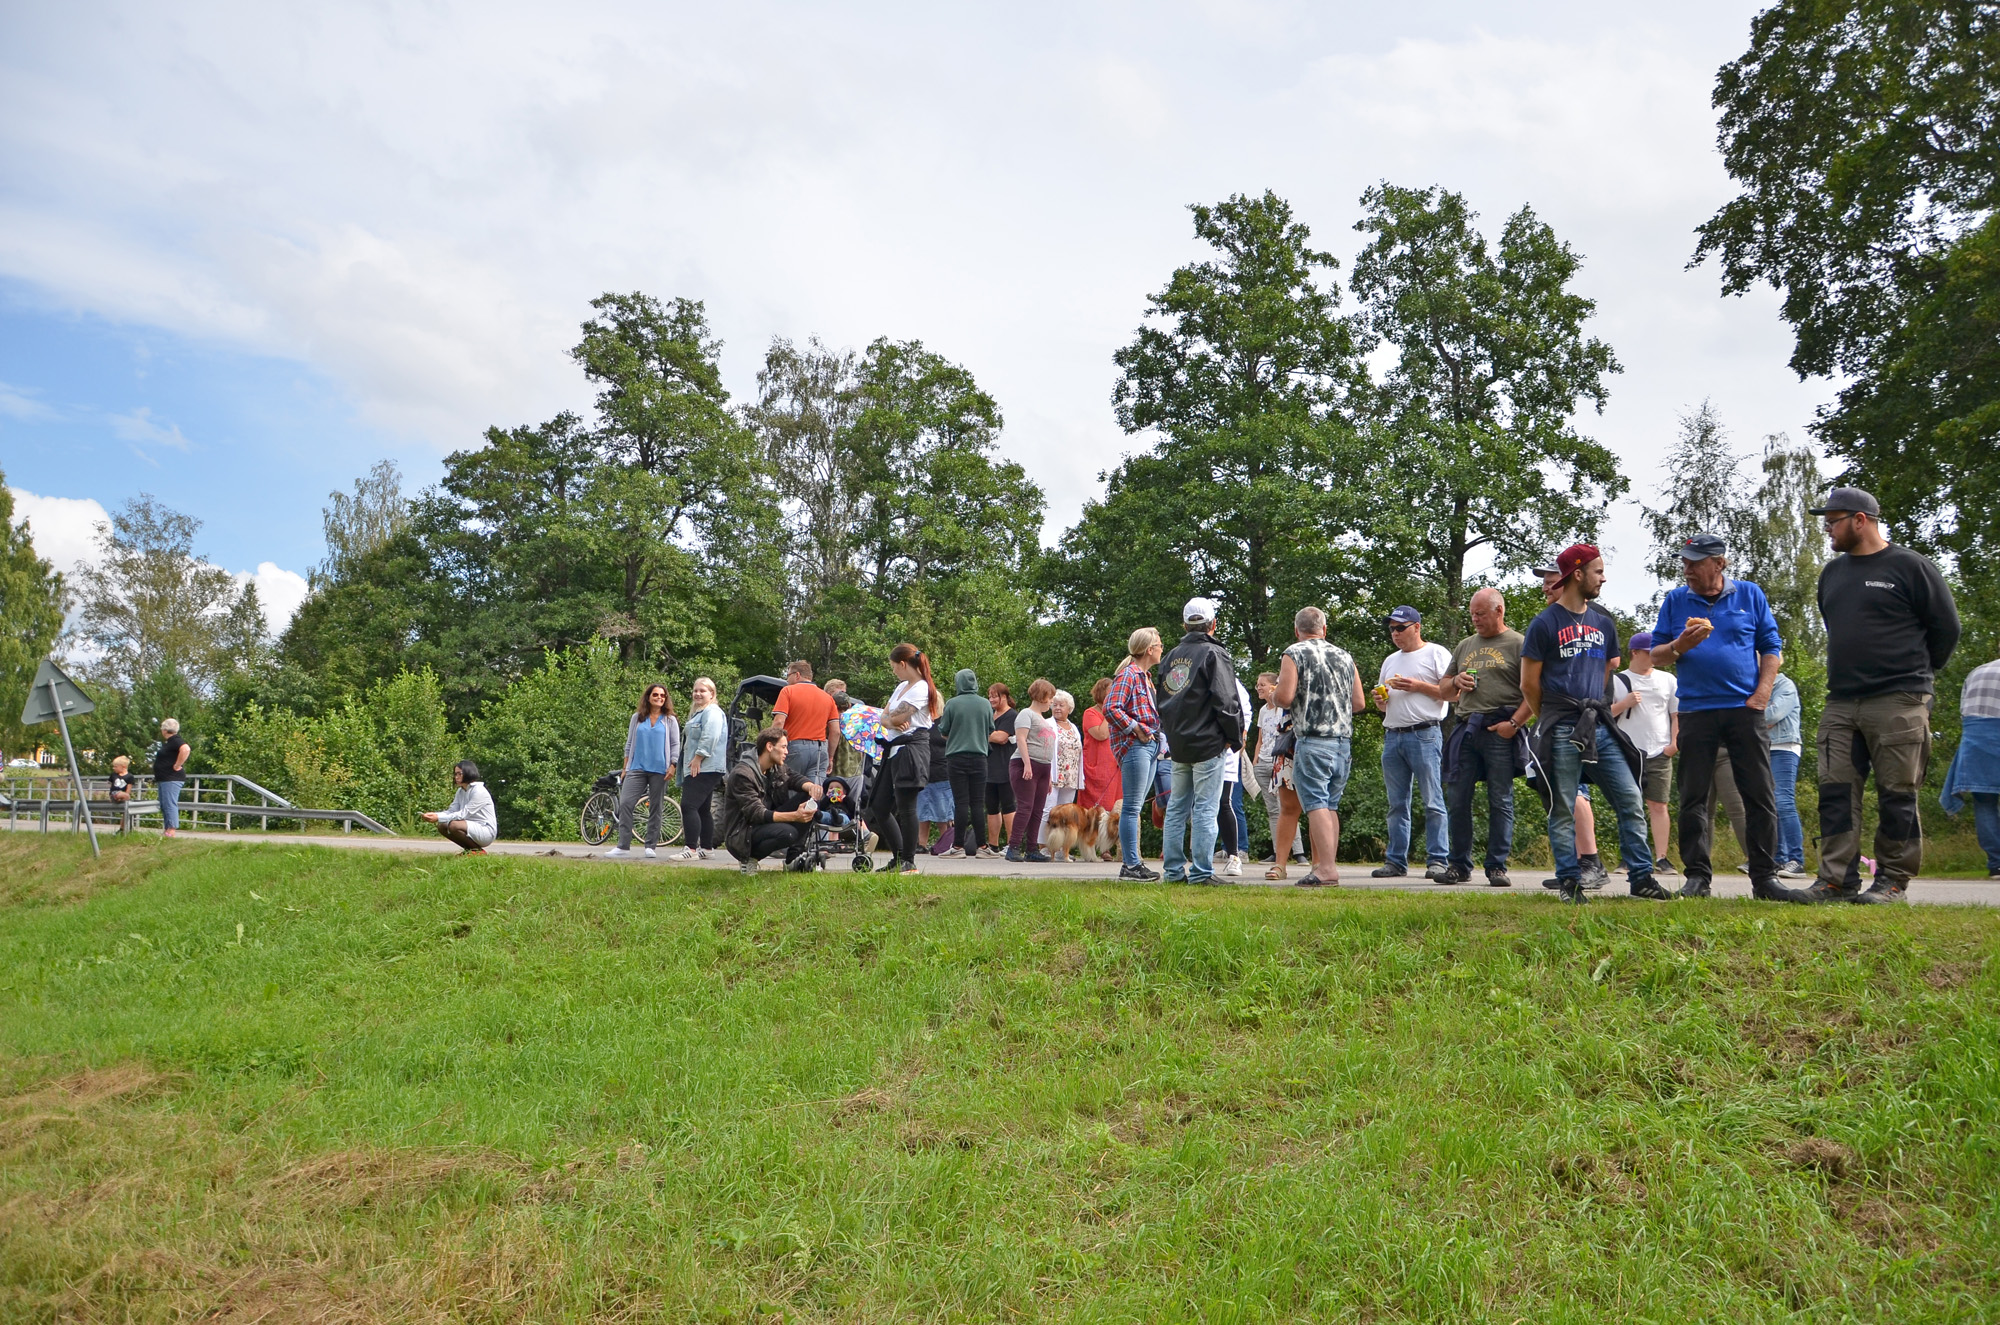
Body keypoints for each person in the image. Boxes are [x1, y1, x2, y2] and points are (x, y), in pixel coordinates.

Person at [1807, 486, 1961, 902]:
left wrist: (1916, 678)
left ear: (1861, 520)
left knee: (1898, 793)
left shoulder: (1910, 566)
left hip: (1899, 699)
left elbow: (1947, 630)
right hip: (1841, 700)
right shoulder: (1833, 574)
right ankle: (1836, 879)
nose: (1827, 531)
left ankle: (1892, 879)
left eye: (1833, 521)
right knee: (1835, 791)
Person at [1649, 532, 1795, 901]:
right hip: (1696, 709)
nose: (1687, 570)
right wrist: (1681, 644)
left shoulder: (1749, 594)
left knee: (1759, 794)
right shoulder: (1675, 601)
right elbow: (1656, 656)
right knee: (1694, 797)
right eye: (1684, 563)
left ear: (1719, 563)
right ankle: (1697, 877)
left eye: (1695, 563)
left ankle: (1765, 878)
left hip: (1744, 710)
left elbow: (1771, 646)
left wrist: (1763, 692)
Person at [1520, 545, 1667, 903]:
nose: (1604, 577)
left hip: (1598, 724)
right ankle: (1569, 882)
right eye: (1598, 571)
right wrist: (1551, 717)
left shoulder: (1603, 622)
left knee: (1630, 797)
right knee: (1563, 805)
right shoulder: (1544, 624)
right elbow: (1528, 683)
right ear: (1578, 573)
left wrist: (1595, 706)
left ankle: (1642, 876)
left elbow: (1606, 670)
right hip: (1562, 727)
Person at [1271, 605, 1366, 887]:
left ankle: (1326, 870)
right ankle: (1328, 864)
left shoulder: (1294, 652)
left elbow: (1286, 696)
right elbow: (1359, 703)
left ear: (1296, 630)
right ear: (1324, 629)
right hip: (1342, 743)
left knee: (1315, 805)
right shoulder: (1345, 656)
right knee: (1330, 806)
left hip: (1313, 740)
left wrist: (1274, 695)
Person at [1439, 588, 1526, 887]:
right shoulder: (1465, 645)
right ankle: (1458, 865)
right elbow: (1443, 691)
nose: (1475, 619)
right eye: (1472, 613)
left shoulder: (1518, 644)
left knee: (1500, 798)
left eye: (1481, 613)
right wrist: (1455, 681)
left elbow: (1535, 692)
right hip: (1467, 727)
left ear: (1499, 611)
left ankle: (1496, 867)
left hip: (1500, 727)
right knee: (1457, 797)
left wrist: (1514, 724)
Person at [1531, 560, 1609, 889]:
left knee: (1576, 794)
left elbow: (1612, 662)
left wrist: (1586, 704)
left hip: (1583, 720)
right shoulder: (1547, 622)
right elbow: (1533, 680)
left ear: (1569, 580)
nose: (1546, 588)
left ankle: (1591, 862)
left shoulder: (1597, 617)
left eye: (1551, 582)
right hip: (1555, 719)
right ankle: (1574, 866)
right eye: (1544, 582)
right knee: (1560, 793)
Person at [1157, 598, 1243, 885]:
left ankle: (1172, 872)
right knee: (1205, 808)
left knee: (1177, 807)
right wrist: (1234, 736)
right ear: (1213, 624)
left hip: (1179, 744)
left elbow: (1164, 701)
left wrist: (1172, 736)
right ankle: (1201, 872)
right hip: (1208, 742)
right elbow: (1226, 699)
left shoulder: (1170, 656)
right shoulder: (1213, 653)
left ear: (1184, 625)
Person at [1374, 606, 1453, 881]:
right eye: (1392, 629)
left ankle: (1438, 860)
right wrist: (1381, 702)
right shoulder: (1390, 660)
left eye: (1401, 628)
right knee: (1396, 804)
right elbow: (1386, 706)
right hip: (1393, 734)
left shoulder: (1436, 653)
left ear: (1417, 627)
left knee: (1432, 800)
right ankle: (1396, 861)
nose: (1395, 634)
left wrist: (1418, 685)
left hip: (1425, 733)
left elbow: (1453, 693)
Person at [1610, 632, 1680, 877]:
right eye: (1649, 653)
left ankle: (1662, 858)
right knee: (1629, 805)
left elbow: (1675, 714)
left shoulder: (1668, 680)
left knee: (1659, 805)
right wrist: (1624, 703)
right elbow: (1605, 714)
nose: (1654, 658)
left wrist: (1673, 743)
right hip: (1627, 751)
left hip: (1659, 750)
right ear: (1635, 653)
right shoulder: (1618, 680)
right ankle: (1629, 857)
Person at [872, 643, 941, 874]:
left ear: (902, 664)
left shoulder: (921, 688)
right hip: (893, 748)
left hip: (912, 748)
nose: (893, 671)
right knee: (879, 805)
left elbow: (895, 715)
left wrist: (890, 718)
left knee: (906, 806)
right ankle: (899, 855)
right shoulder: (902, 686)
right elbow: (884, 717)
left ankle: (908, 861)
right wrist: (891, 719)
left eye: (893, 666)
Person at [1106, 627, 1165, 881]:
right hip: (1134, 746)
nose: (1163, 648)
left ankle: (1134, 864)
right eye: (1160, 644)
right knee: (1131, 807)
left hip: (1149, 746)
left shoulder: (1146, 677)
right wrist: (1135, 728)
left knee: (1136, 807)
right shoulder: (1128, 675)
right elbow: (1111, 707)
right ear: (1149, 649)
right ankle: (1130, 865)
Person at [719, 727, 823, 873]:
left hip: (765, 820)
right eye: (784, 747)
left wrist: (812, 787)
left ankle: (793, 859)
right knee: (788, 833)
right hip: (743, 833)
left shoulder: (776, 767)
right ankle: (749, 859)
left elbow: (793, 777)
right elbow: (756, 813)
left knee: (809, 798)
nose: (787, 752)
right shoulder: (742, 775)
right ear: (769, 746)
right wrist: (795, 816)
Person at [1941, 649, 2000, 879]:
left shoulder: (1977, 672)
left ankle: (1996, 864)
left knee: (1984, 803)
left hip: (1976, 743)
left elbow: (1964, 713)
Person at [605, 682, 680, 860]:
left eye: (662, 696)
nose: (659, 698)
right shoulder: (637, 718)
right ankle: (623, 846)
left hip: (660, 770)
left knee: (656, 806)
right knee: (626, 804)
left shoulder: (670, 720)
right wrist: (625, 768)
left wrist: (673, 765)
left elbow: (676, 744)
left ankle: (650, 845)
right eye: (656, 695)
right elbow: (629, 743)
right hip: (637, 768)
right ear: (648, 697)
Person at [938, 668, 994, 857]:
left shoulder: (952, 704)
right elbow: (990, 729)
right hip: (979, 757)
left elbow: (943, 730)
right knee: (978, 803)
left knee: (960, 802)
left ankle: (958, 847)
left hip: (956, 758)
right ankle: (983, 847)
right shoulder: (985, 704)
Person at [1007, 679, 1058, 862]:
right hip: (1025, 765)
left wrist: (1050, 776)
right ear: (1042, 695)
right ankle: (1013, 847)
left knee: (1038, 809)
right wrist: (1027, 764)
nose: (1051, 701)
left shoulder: (1044, 720)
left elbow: (1048, 747)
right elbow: (1021, 739)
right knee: (1025, 807)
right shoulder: (1025, 714)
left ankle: (1031, 848)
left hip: (1043, 767)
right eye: (1050, 697)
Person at [677, 676, 727, 860]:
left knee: (688, 805)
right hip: (703, 766)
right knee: (702, 809)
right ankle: (706, 849)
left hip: (704, 766)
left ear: (711, 694)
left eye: (702, 691)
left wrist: (698, 758)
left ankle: (690, 849)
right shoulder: (699, 712)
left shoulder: (712, 712)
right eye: (696, 690)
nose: (698, 694)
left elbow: (710, 736)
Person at [1764, 668, 1807, 877]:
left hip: (1784, 747)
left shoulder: (1784, 685)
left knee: (1784, 801)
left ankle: (1796, 860)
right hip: (1764, 747)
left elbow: (1774, 714)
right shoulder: (1755, 687)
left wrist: (1752, 713)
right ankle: (1777, 859)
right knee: (1769, 803)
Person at [773, 660, 841, 788]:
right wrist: (830, 757)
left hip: (794, 748)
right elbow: (836, 731)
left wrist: (771, 746)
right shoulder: (828, 698)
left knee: (790, 788)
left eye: (788, 676)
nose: (787, 680)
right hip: (820, 751)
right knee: (813, 794)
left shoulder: (788, 691)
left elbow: (779, 721)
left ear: (797, 675)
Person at [1213, 675, 1252, 877]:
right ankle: (1201, 859)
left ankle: (1236, 853)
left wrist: (1239, 737)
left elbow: (1245, 710)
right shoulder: (1192, 670)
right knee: (1197, 805)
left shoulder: (1232, 680)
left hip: (1225, 751)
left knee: (1225, 802)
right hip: (1196, 748)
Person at [422, 760, 497, 854]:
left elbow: (463, 814)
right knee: (442, 825)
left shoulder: (479, 791)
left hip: (486, 831)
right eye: (455, 774)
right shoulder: (461, 791)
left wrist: (438, 817)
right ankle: (470, 851)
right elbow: (452, 811)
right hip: (470, 827)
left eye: (459, 774)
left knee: (453, 825)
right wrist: (435, 815)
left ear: (468, 773)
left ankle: (478, 852)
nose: (456, 777)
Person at [1044, 689, 1085, 844]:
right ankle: (1044, 845)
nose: (1057, 708)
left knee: (1067, 813)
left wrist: (1081, 776)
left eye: (1061, 705)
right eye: (1054, 705)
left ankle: (1062, 847)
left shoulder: (1074, 727)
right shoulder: (1048, 724)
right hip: (1054, 774)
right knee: (1049, 810)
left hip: (1071, 775)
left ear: (1069, 709)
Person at [1078, 678, 1122, 814]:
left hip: (1115, 766)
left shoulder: (1118, 713)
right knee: (1095, 811)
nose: (1115, 694)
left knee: (1115, 809)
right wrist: (1109, 710)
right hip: (1097, 768)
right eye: (1111, 690)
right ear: (1102, 692)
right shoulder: (1090, 713)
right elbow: (1101, 734)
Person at [984, 683, 1018, 854]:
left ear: (1004, 697)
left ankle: (1012, 845)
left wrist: (981, 734)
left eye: (994, 696)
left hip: (1006, 766)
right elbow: (995, 737)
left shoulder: (1012, 715)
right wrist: (991, 736)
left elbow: (1001, 737)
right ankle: (993, 845)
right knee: (991, 806)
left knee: (1008, 805)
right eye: (990, 696)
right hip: (988, 767)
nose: (991, 699)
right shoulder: (990, 715)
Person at [917, 721, 956, 855]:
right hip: (923, 771)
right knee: (922, 812)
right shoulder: (921, 722)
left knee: (943, 813)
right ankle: (921, 844)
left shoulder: (944, 722)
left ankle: (945, 843)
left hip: (942, 771)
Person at [152, 718, 190, 837]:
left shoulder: (175, 740)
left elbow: (186, 749)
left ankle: (171, 830)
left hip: (172, 778)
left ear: (165, 730)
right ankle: (168, 829)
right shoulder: (170, 742)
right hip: (164, 778)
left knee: (169, 803)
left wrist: (178, 764)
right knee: (164, 804)